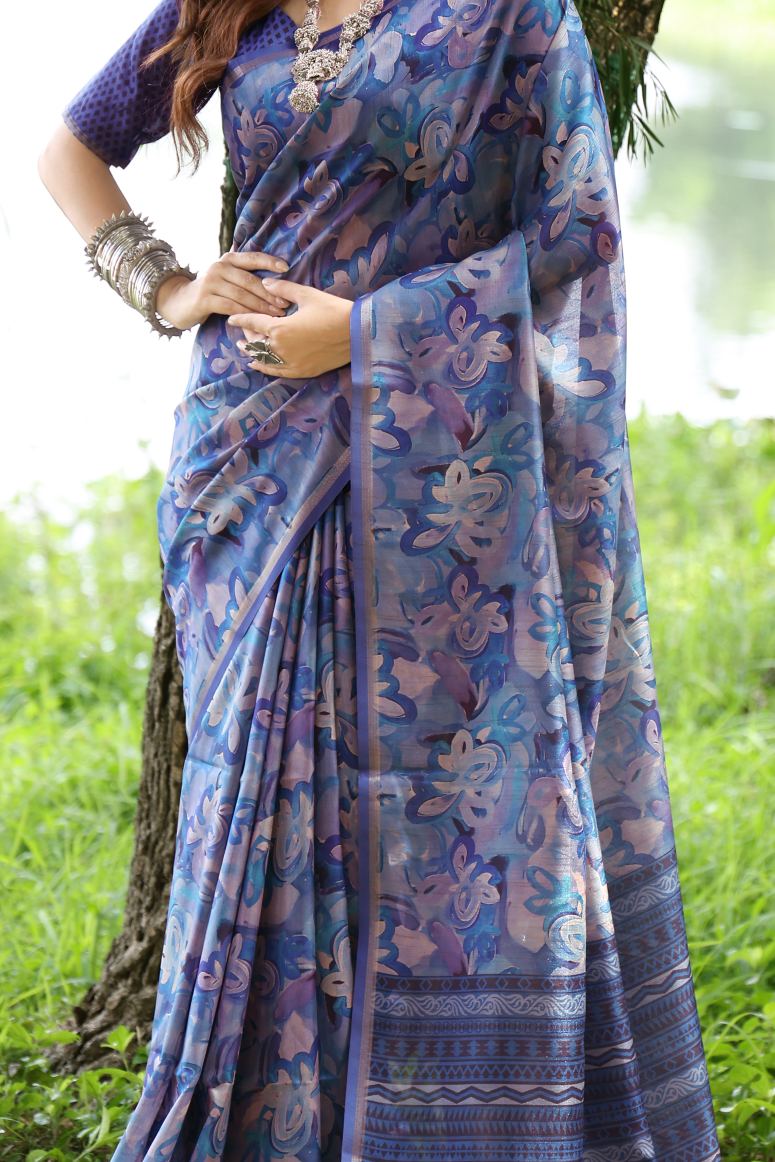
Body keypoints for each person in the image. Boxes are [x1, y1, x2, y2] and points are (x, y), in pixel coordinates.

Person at [38, 0, 722, 1158]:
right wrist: (166, 287)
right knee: (257, 802)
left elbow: (577, 241)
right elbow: (73, 147)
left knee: (440, 812)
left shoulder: (509, 18)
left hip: (438, 464)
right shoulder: (227, 8)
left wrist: (366, 332)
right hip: (249, 470)